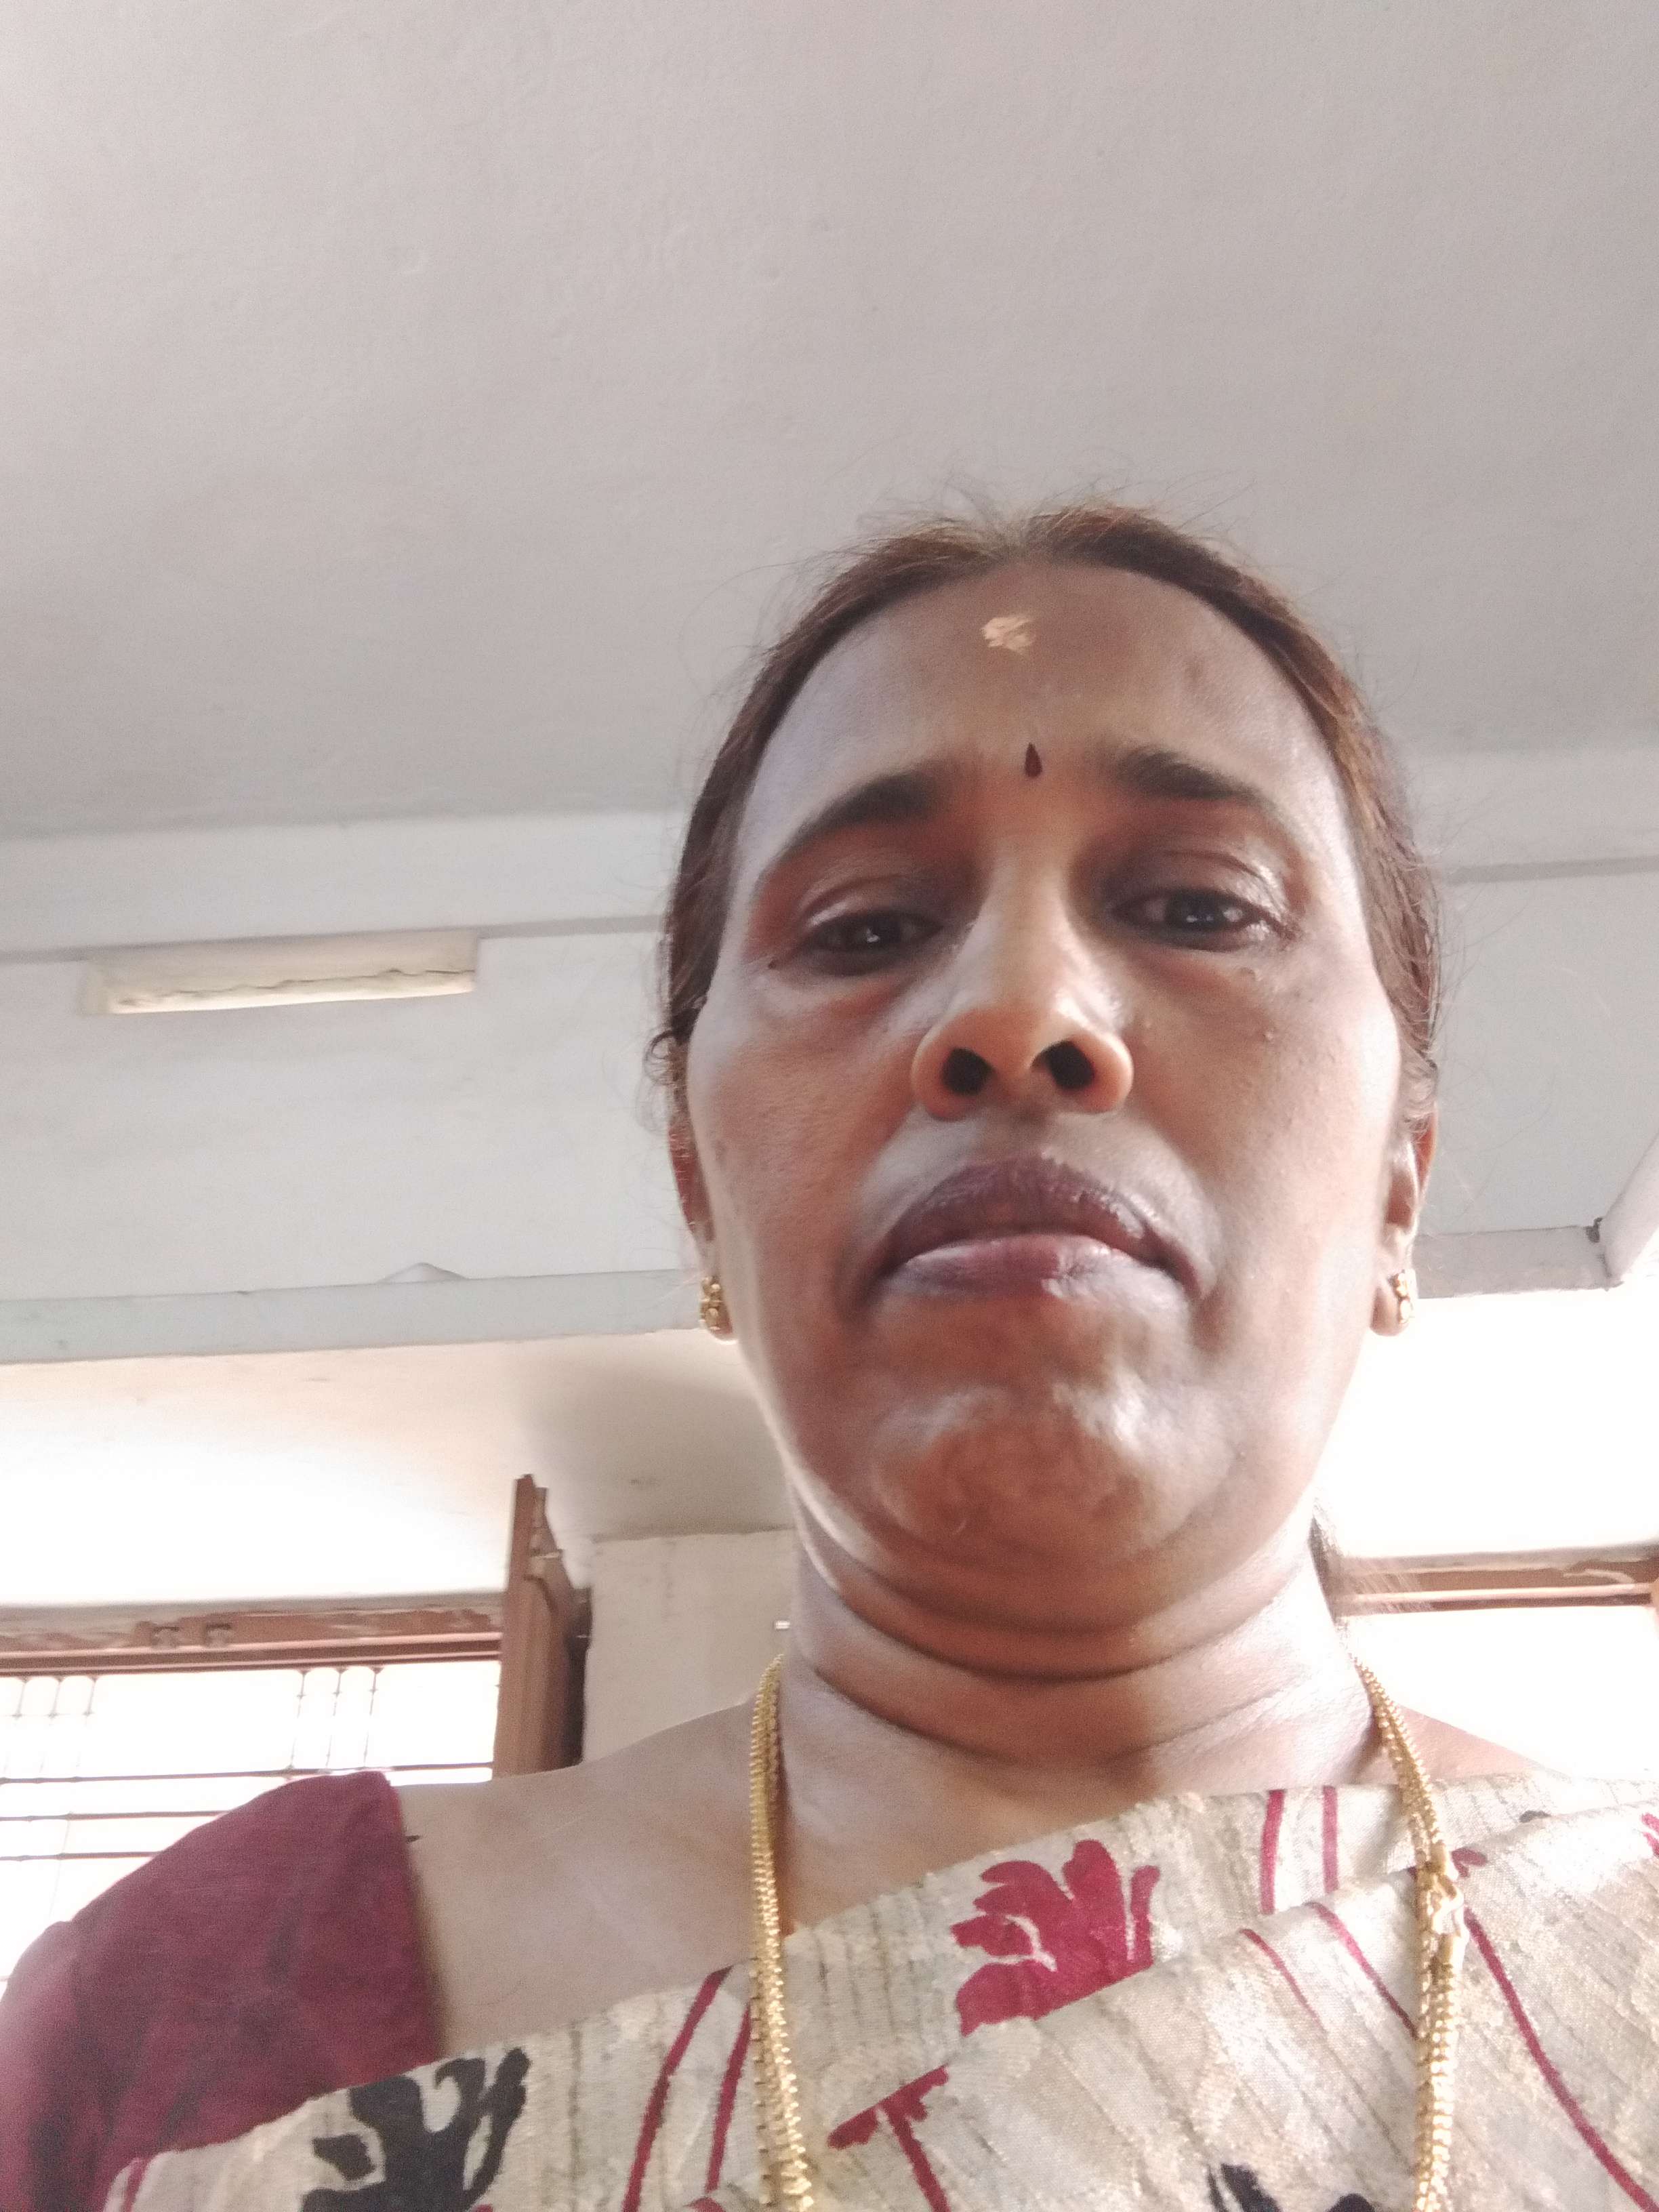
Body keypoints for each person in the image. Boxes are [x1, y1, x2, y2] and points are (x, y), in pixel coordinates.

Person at [4, 504, 1656, 2211]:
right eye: (865, 930)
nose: (1020, 1011)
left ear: (1400, 1184)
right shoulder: (201, 2009)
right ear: (699, 1196)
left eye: (1195, 905)